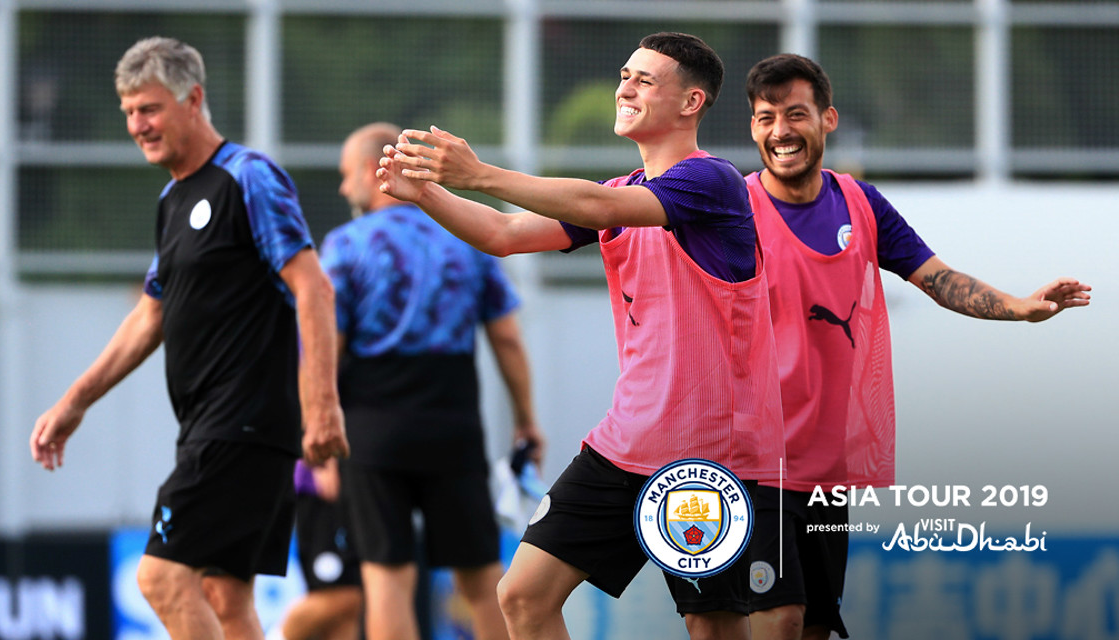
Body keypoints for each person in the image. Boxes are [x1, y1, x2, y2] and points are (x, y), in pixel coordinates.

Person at [378, 32, 785, 640]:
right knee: (522, 596)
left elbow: (595, 208)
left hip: (707, 456)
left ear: (691, 102)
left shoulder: (713, 182)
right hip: (626, 443)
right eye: (625, 75)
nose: (625, 87)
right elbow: (504, 234)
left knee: (711, 623)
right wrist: (428, 194)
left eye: (645, 80)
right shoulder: (621, 194)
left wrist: (480, 172)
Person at [740, 53, 1092, 640]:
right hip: (753, 465)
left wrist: (1022, 308)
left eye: (795, 114)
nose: (780, 132)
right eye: (765, 117)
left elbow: (939, 279)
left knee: (812, 629)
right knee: (779, 619)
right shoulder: (732, 208)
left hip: (826, 470)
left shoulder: (861, 205)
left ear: (827, 119)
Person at [28, 36, 349, 640]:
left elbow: (314, 289)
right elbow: (151, 315)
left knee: (161, 578)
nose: (136, 125)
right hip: (211, 425)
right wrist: (75, 401)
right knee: (225, 596)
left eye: (148, 109)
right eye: (127, 112)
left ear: (193, 99)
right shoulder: (174, 198)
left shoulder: (248, 178)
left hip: (244, 424)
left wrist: (323, 405)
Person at [324, 122, 544, 640]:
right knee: (480, 575)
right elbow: (507, 339)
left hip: (371, 428)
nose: (341, 188)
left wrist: (318, 426)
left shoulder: (344, 245)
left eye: (343, 175)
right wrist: (525, 421)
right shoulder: (462, 237)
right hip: (452, 423)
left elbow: (324, 348)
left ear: (367, 171)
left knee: (386, 578)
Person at [271, 459, 363, 640]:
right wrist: (324, 458)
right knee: (343, 592)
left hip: (352, 483)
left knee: (347, 615)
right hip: (324, 483)